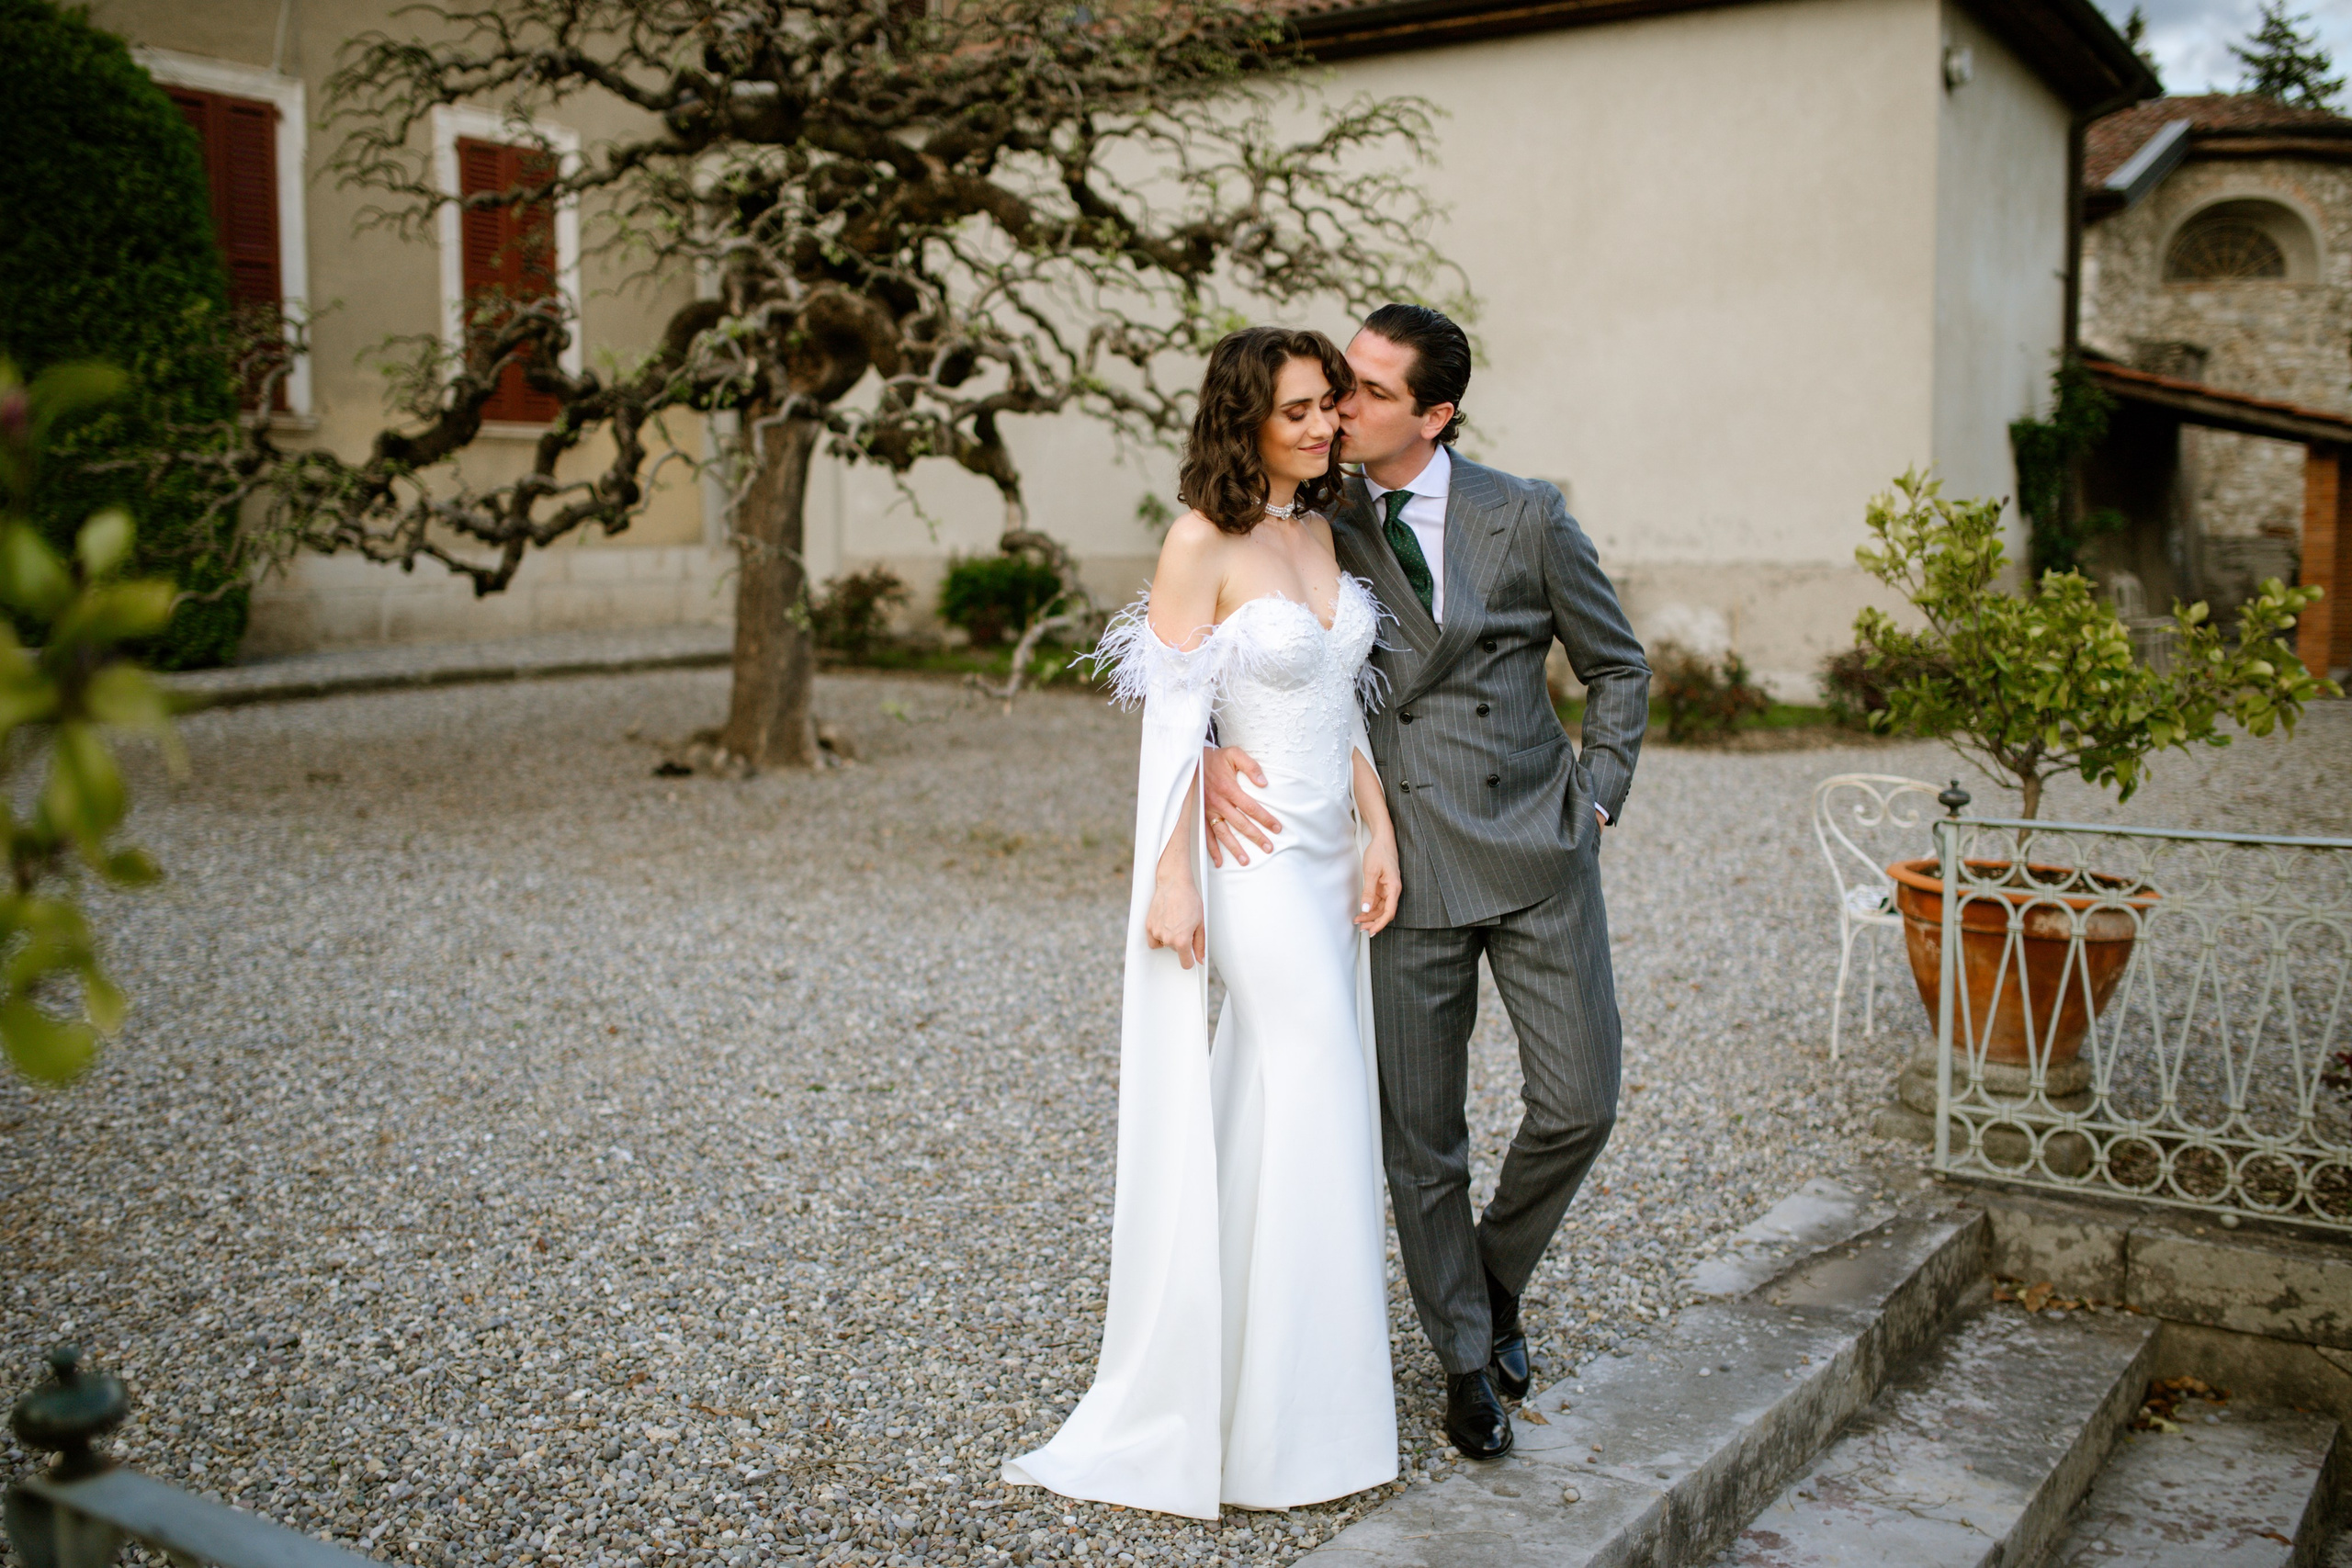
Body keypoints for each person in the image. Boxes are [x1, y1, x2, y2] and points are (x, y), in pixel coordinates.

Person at [1203, 304, 1649, 1462]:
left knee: (1579, 1103)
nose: (1336, 408)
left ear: (1435, 414)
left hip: (1539, 846)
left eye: (1363, 392)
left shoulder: (1527, 514)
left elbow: (1615, 664)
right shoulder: (1313, 510)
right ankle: (1462, 1355)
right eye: (1331, 388)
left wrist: (1594, 797)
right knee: (1422, 1139)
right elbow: (1221, 634)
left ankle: (1491, 1281)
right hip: (1396, 864)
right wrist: (1204, 753)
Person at [1002, 327, 1404, 1518]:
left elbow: (1342, 702)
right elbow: (1173, 722)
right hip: (1252, 862)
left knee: (1297, 1111)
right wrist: (1169, 876)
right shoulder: (1200, 539)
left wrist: (1380, 826)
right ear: (1245, 418)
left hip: (1333, 855)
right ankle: (1271, 1430)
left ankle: (1295, 1410)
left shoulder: (1320, 532)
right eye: (1299, 409)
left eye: (1330, 404)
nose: (1325, 425)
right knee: (1317, 1085)